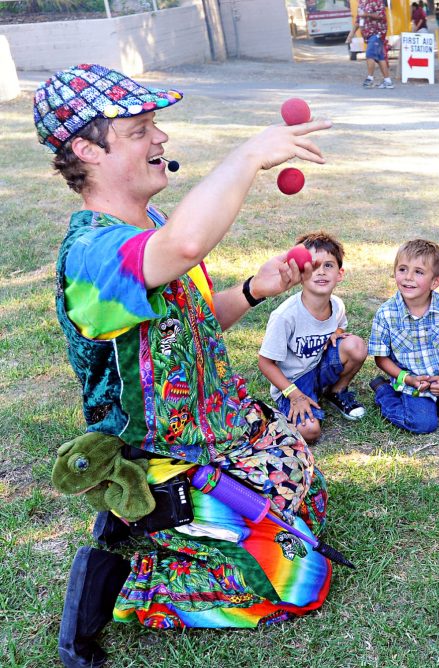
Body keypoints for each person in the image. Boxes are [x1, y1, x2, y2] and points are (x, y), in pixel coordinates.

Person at [35, 63, 334, 667]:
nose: (160, 139)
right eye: (140, 128)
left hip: (215, 425)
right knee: (290, 580)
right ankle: (128, 556)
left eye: (156, 126)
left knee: (300, 483)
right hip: (163, 445)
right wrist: (249, 154)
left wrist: (255, 288)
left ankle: (184, 527)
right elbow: (186, 248)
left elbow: (195, 321)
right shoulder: (92, 253)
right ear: (86, 149)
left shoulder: (154, 224)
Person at [258, 231, 367, 444]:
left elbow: (340, 328)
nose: (321, 272)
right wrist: (295, 395)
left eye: (328, 265)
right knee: (309, 432)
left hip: (319, 368)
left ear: (340, 274)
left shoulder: (337, 305)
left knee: (356, 345)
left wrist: (335, 334)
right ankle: (291, 406)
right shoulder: (285, 315)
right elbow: (265, 362)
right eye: (313, 266)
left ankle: (336, 391)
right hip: (293, 381)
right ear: (299, 273)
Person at [368, 239, 439, 434]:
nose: (408, 277)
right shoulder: (386, 313)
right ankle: (384, 391)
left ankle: (435, 402)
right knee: (423, 424)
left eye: (418, 272)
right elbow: (381, 357)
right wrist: (407, 379)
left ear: (435, 281)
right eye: (402, 269)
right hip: (410, 380)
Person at [354, 0, 394, 89]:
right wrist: (350, 35)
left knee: (369, 54)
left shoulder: (377, 1)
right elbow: (358, 20)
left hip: (377, 32)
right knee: (380, 58)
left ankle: (370, 79)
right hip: (367, 35)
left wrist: (367, 14)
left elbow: (381, 15)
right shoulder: (361, 3)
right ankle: (388, 81)